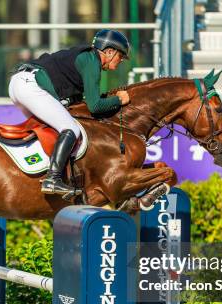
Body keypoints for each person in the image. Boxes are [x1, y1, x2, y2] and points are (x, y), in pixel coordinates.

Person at [8, 29, 131, 198]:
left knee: (50, 129)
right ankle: (53, 178)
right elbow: (94, 106)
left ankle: (37, 171)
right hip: (30, 86)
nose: (121, 61)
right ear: (109, 51)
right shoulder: (91, 60)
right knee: (71, 129)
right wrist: (118, 100)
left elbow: (82, 104)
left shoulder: (86, 58)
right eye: (121, 56)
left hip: (20, 84)